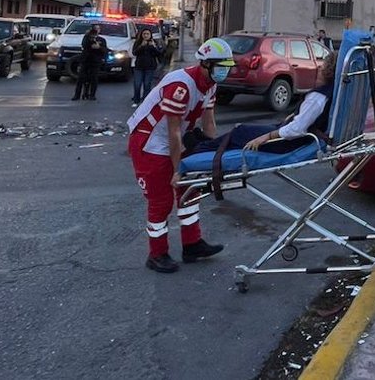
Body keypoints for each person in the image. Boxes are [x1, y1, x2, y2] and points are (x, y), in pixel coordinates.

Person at [125, 38, 233, 273]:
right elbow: (173, 131)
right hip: (150, 142)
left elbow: (209, 123)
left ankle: (192, 244)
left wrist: (215, 155)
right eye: (221, 66)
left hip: (173, 139)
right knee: (161, 199)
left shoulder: (210, 84)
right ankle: (157, 254)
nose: (225, 71)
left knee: (190, 190)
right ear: (205, 64)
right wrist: (177, 170)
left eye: (227, 66)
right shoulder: (180, 86)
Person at [226, 56, 337, 152]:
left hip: (289, 143)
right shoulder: (330, 93)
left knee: (239, 132)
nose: (319, 69)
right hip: (296, 138)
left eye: (322, 67)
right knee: (244, 130)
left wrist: (267, 137)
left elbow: (296, 129)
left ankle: (209, 154)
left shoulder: (317, 98)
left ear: (328, 72)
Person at [73, 25, 107, 101]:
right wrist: (89, 38)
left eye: (98, 29)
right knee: (80, 79)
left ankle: (92, 95)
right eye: (95, 29)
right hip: (85, 61)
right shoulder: (86, 38)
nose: (96, 30)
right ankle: (77, 95)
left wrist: (99, 47)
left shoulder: (102, 40)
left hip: (95, 62)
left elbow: (105, 50)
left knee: (94, 79)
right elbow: (84, 46)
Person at [131, 28, 161, 106]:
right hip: (139, 67)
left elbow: (159, 53)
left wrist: (153, 47)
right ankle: (136, 100)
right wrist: (141, 46)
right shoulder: (138, 42)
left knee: (147, 84)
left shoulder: (154, 43)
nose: (146, 35)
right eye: (144, 34)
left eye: (147, 34)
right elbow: (134, 53)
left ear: (150, 35)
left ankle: (145, 100)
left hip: (150, 67)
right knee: (137, 84)